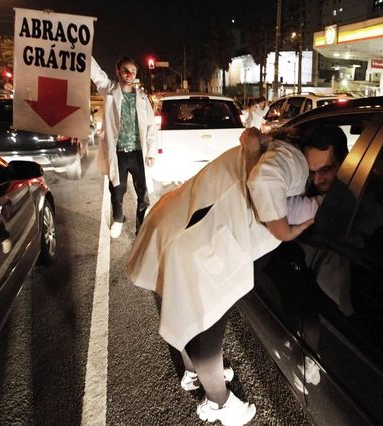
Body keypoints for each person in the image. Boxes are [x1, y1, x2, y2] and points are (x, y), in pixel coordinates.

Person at [127, 127, 314, 426]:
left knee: (189, 315)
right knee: (207, 329)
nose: (321, 175)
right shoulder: (293, 158)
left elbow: (262, 178)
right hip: (201, 242)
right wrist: (296, 225)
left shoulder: (269, 149)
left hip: (183, 223)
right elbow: (265, 185)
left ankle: (193, 374)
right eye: (325, 167)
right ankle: (218, 404)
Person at [90, 56, 158, 238]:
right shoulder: (110, 90)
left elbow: (151, 126)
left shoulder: (142, 97)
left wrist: (151, 152)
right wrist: (82, 50)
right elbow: (96, 74)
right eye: (125, 70)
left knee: (142, 192)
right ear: (117, 71)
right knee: (117, 190)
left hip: (137, 153)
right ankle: (119, 219)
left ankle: (142, 227)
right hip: (118, 153)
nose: (129, 74)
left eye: (133, 71)